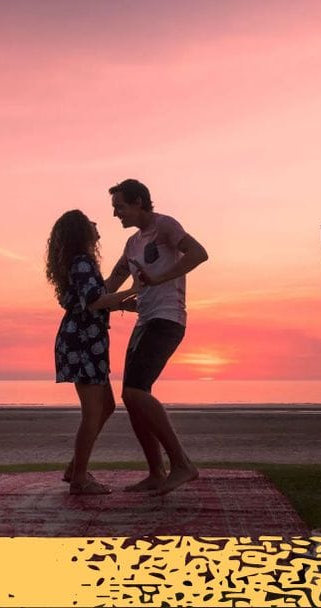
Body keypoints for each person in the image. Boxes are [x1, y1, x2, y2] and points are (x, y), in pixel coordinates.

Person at [108, 178, 209, 493]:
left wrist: (158, 279)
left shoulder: (166, 226)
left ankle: (182, 464)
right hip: (145, 322)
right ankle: (156, 471)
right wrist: (88, 301)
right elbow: (113, 280)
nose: (116, 214)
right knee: (132, 396)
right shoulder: (132, 244)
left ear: (138, 202)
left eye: (119, 207)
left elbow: (199, 253)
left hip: (167, 319)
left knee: (136, 393)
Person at [47, 209, 134, 495]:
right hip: (82, 342)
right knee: (93, 411)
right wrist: (133, 290)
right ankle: (79, 478)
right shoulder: (82, 261)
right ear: (81, 231)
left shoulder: (78, 263)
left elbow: (94, 299)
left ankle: (75, 468)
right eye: (90, 221)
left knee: (105, 406)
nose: (96, 223)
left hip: (86, 340)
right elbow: (94, 302)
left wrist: (123, 304)